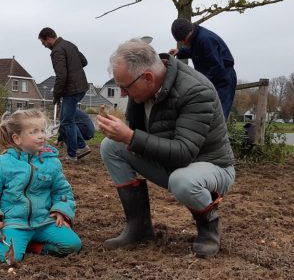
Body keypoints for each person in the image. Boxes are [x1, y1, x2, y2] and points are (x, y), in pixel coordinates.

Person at [97, 39, 236, 258]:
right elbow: (137, 133)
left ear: (149, 77)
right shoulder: (141, 88)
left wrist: (130, 137)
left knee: (182, 180)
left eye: (125, 87)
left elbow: (183, 153)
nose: (123, 94)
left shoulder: (196, 90)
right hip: (170, 165)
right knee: (111, 146)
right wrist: (123, 134)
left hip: (212, 167)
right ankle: (139, 227)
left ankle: (208, 230)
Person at [0, 109, 81, 263]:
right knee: (9, 259)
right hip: (14, 223)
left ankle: (33, 247)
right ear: (17, 138)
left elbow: (62, 191)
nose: (41, 135)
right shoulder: (3, 163)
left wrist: (62, 211)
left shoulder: (52, 162)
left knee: (73, 245)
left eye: (43, 130)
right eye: (34, 132)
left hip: (44, 222)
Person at [38, 27, 90, 161]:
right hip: (82, 86)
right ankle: (81, 146)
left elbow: (61, 75)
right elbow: (84, 61)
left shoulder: (57, 51)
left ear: (48, 38)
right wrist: (74, 70)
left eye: (43, 43)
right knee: (69, 119)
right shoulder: (70, 45)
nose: (44, 46)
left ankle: (73, 153)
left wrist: (56, 95)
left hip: (71, 90)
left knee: (66, 122)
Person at [169, 18, 237, 120]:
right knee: (207, 114)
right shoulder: (195, 37)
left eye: (183, 40)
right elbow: (194, 51)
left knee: (219, 116)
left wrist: (202, 82)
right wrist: (179, 52)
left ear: (188, 33)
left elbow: (217, 67)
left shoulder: (206, 40)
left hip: (223, 81)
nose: (183, 43)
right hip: (211, 79)